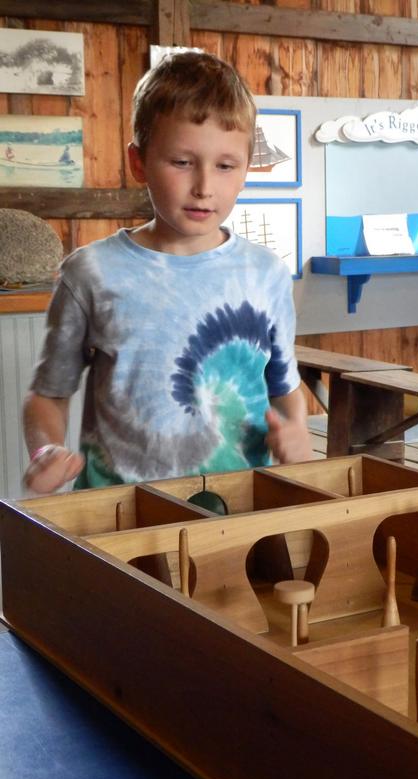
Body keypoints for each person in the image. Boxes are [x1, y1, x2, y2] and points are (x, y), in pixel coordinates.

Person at [23, 52, 312, 495]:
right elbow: (49, 393)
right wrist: (45, 451)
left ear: (245, 168)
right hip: (121, 515)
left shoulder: (267, 274)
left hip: (240, 515)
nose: (203, 186)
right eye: (181, 162)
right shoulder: (91, 273)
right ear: (139, 162)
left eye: (225, 165)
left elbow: (284, 386)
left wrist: (297, 433)